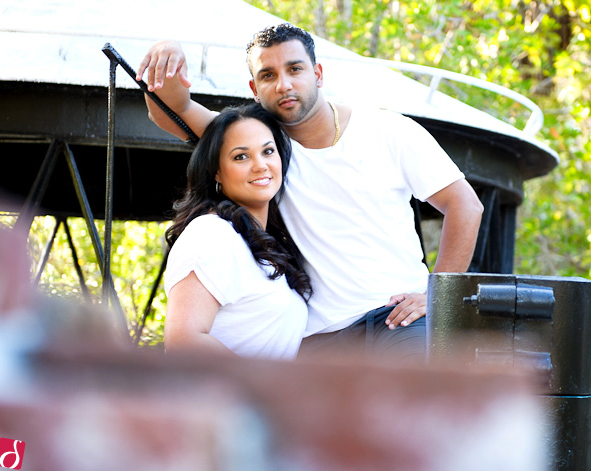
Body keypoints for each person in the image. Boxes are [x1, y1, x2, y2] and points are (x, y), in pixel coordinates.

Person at [138, 24, 483, 360]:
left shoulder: (387, 129)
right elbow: (174, 110)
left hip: (398, 318)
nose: (284, 84)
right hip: (321, 337)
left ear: (318, 74)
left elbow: (465, 205)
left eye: (295, 69)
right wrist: (167, 49)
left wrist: (437, 295)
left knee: (410, 407)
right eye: (268, 75)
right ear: (254, 89)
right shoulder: (264, 149)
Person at [163, 103, 312, 359]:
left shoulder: (269, 246)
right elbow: (183, 340)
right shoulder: (211, 233)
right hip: (216, 397)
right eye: (241, 156)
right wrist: (259, 389)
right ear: (217, 172)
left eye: (268, 151)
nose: (260, 165)